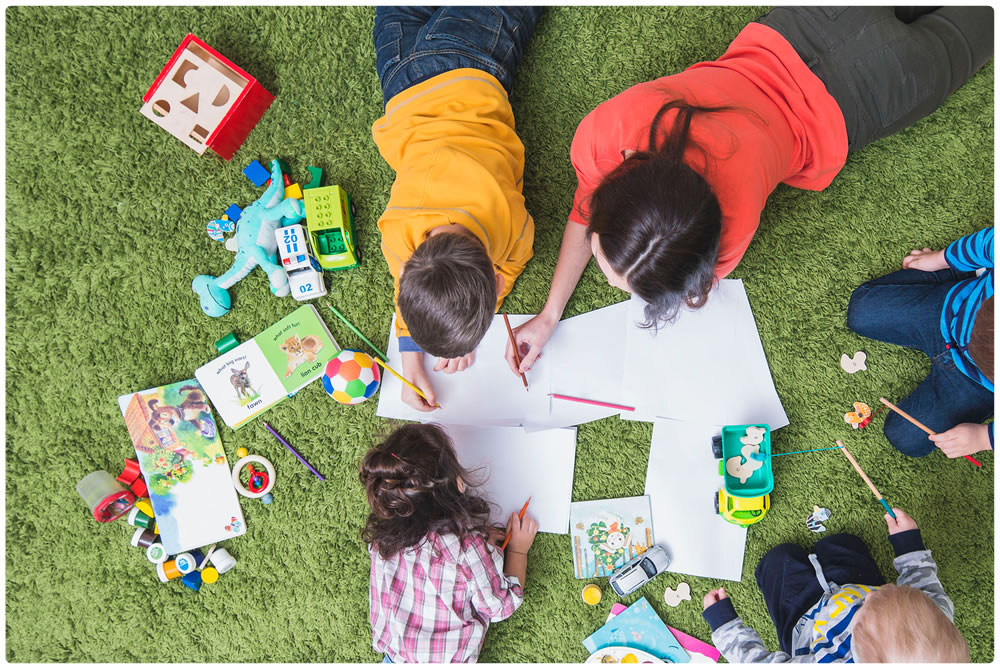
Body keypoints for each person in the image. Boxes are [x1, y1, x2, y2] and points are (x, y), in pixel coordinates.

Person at [506, 6, 993, 375]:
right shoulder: (607, 132)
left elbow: (591, 214)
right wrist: (549, 316)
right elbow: (586, 210)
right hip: (804, 24)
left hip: (868, 95)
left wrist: (552, 316)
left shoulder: (729, 231)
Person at [371, 6, 544, 412]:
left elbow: (511, 265)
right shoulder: (397, 236)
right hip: (400, 80)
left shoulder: (512, 226)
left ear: (497, 286)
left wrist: (481, 312)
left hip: (470, 67)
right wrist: (409, 356)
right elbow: (404, 291)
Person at [360, 423, 538, 663]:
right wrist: (517, 549)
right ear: (458, 484)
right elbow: (500, 607)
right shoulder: (466, 547)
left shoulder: (383, 538)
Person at [701, 507, 968, 662]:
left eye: (865, 610)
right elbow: (923, 581)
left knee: (777, 560)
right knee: (842, 542)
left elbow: (757, 663)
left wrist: (725, 625)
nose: (870, 598)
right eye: (889, 591)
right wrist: (908, 543)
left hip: (803, 622)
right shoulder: (935, 618)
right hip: (854, 582)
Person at [847, 227, 994, 458]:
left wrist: (984, 437)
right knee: (862, 311)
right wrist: (940, 260)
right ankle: (960, 274)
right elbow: (987, 243)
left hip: (977, 386)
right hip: (948, 310)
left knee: (906, 437)